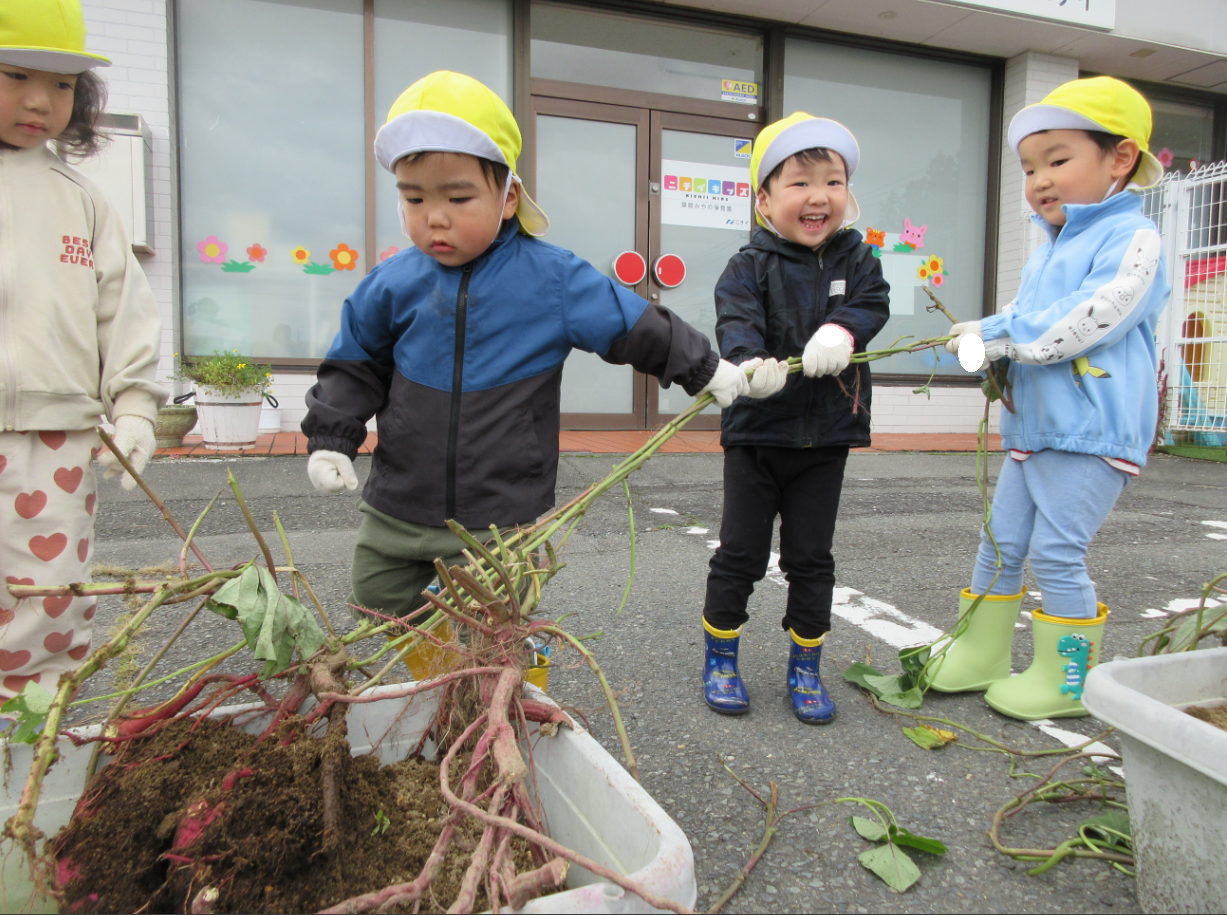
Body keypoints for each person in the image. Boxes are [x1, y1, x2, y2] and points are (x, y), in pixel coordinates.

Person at [302, 71, 748, 646]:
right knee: (383, 620)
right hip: (397, 506)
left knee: (496, 632)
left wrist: (704, 368)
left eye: (458, 197)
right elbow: (354, 365)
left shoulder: (552, 278)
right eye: (414, 198)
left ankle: (490, 700)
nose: (434, 216)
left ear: (508, 196)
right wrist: (331, 438)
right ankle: (416, 714)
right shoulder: (392, 283)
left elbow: (632, 323)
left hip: (502, 516)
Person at [932, 76, 1171, 720]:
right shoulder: (1048, 249)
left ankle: (1066, 683)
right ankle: (978, 655)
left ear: (1119, 159)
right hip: (1035, 430)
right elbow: (1019, 318)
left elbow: (1087, 318)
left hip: (1091, 432)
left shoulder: (1134, 240)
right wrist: (974, 340)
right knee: (999, 542)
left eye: (1057, 160)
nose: (1039, 180)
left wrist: (999, 333)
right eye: (1030, 168)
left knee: (1057, 553)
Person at [0, 0, 165, 701]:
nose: (40, 99)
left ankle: (32, 735)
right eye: (15, 74)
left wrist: (134, 408)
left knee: (48, 594)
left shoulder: (84, 202)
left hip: (54, 433)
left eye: (63, 84)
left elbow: (122, 312)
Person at [701, 113, 889, 724]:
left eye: (832, 182)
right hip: (757, 437)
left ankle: (805, 667)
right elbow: (737, 323)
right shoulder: (746, 266)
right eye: (800, 182)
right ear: (764, 200)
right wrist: (749, 364)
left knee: (812, 558)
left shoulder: (859, 259)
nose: (818, 196)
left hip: (825, 438)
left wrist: (844, 327)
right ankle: (721, 657)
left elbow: (873, 303)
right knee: (741, 555)